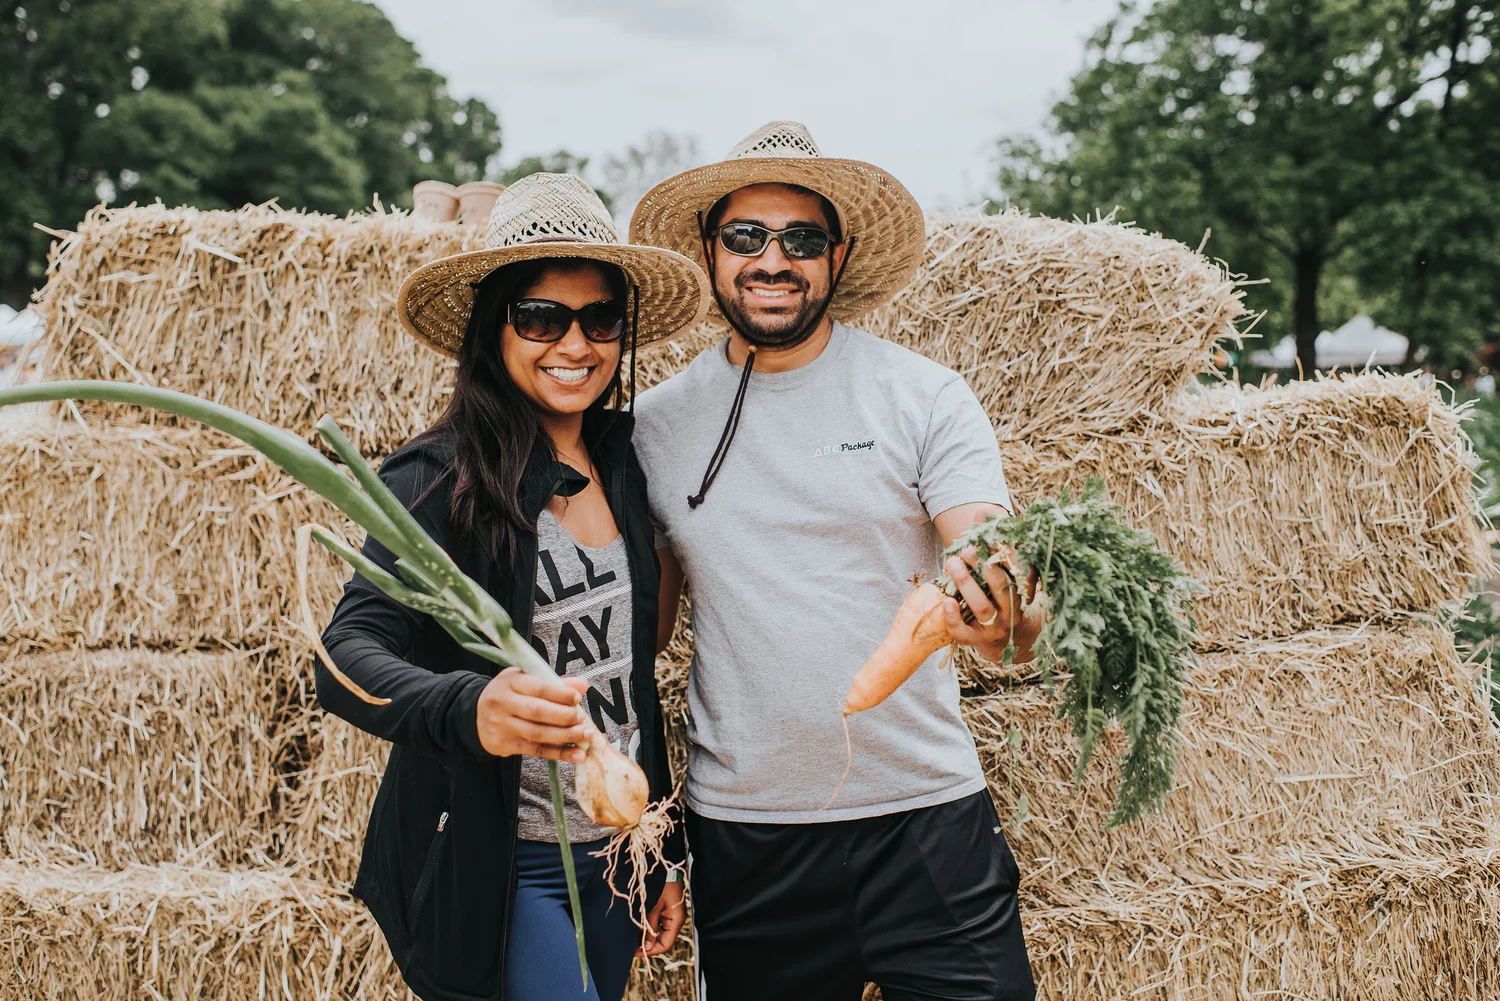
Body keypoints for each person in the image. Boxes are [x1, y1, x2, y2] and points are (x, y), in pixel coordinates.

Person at [629, 122, 1043, 1000]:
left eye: (801, 239)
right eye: (745, 237)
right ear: (709, 251)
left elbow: (995, 567)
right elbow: (644, 627)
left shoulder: (922, 394)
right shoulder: (655, 427)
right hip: (749, 834)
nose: (772, 260)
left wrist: (1003, 603)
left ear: (838, 253)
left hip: (925, 820)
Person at [316, 173, 709, 1001]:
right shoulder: (437, 477)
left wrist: (658, 845)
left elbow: (627, 682)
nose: (575, 344)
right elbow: (344, 655)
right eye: (540, 317)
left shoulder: (624, 464)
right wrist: (473, 706)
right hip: (499, 857)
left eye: (600, 318)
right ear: (494, 328)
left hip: (615, 851)